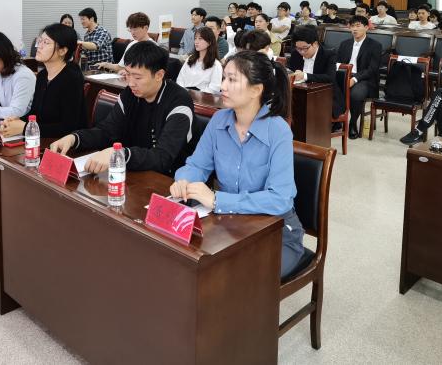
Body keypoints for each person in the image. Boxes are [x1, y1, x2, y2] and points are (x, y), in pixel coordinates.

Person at [171, 51, 304, 278]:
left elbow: (280, 199)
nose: (222, 86)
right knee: (186, 261)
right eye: (224, 78)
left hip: (276, 231)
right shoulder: (219, 120)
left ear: (256, 90)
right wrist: (184, 180)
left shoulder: (278, 130)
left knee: (238, 278)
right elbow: (197, 165)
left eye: (232, 80)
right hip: (230, 224)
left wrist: (217, 200)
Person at [49, 42, 194, 175]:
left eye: (137, 77)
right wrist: (75, 138)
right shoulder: (130, 94)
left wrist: (120, 154)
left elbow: (163, 157)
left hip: (169, 181)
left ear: (159, 75)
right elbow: (107, 131)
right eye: (128, 74)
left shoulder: (179, 102)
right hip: (132, 172)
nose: (130, 83)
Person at [0, 23, 85, 141]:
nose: (39, 46)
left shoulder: (72, 78)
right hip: (43, 139)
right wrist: (17, 120)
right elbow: (36, 113)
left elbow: (68, 127)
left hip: (66, 144)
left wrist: (24, 127)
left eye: (46, 42)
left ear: (62, 51)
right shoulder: (43, 75)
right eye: (40, 41)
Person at [336, 15, 382, 139]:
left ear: (366, 27)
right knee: (329, 89)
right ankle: (336, 120)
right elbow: (338, 63)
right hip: (346, 75)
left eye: (358, 26)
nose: (354, 29)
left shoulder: (375, 45)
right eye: (352, 26)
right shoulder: (345, 44)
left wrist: (354, 79)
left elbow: (372, 69)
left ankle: (352, 123)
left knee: (355, 94)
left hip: (365, 79)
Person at [288, 25, 337, 90]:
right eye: (298, 48)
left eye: (305, 48)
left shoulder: (328, 54)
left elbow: (330, 77)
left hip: (324, 92)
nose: (302, 52)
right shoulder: (295, 53)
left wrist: (304, 76)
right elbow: (290, 71)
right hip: (300, 91)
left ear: (315, 44)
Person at [177, 27, 223, 93]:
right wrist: (183, 92)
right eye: (195, 38)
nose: (196, 42)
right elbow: (180, 79)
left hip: (203, 97)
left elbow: (215, 88)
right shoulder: (190, 59)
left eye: (200, 39)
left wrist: (197, 94)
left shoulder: (216, 64)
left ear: (209, 42)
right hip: (184, 94)